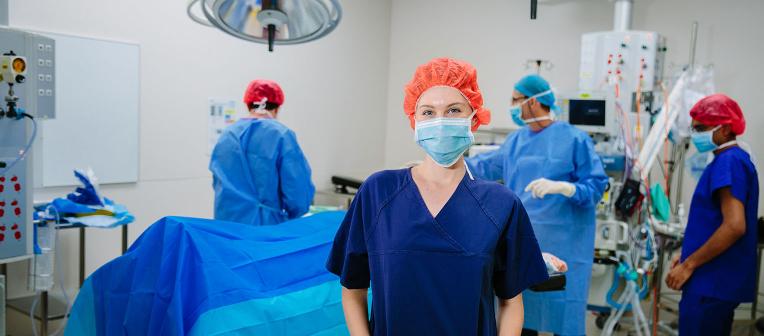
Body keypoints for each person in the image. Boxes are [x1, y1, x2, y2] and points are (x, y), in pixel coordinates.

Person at [326, 58, 549, 335]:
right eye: (428, 112)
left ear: (474, 118)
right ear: (414, 120)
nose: (441, 122)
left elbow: (511, 302)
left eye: (454, 110)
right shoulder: (378, 192)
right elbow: (352, 290)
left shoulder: (501, 204)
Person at [467, 74, 608, 336]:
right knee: (521, 312)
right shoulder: (515, 141)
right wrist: (439, 166)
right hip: (524, 242)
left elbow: (596, 186)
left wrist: (566, 188)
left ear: (532, 102)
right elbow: (484, 165)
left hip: (566, 244)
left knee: (562, 312)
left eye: (515, 100)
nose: (512, 106)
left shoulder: (575, 139)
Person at [665, 94, 759, 336]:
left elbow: (735, 225)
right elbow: (713, 222)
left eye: (702, 128)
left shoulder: (729, 162)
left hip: (712, 283)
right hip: (713, 280)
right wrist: (686, 253)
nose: (696, 135)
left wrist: (689, 264)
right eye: (695, 128)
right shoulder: (730, 160)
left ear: (726, 129)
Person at [209, 79, 314, 226]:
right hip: (264, 228)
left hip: (226, 226)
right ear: (277, 108)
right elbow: (297, 192)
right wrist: (294, 214)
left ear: (248, 105)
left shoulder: (228, 134)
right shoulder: (281, 135)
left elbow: (218, 183)